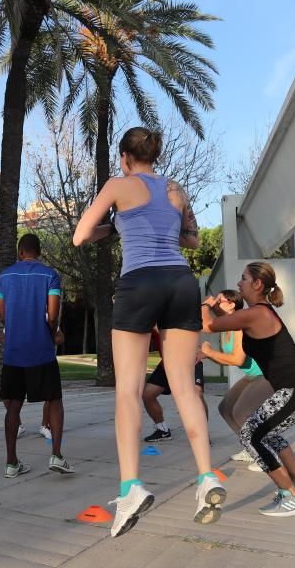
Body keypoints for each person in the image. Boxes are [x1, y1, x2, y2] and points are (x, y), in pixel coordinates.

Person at [74, 127, 223, 535]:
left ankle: (131, 487)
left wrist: (114, 225)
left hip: (140, 283)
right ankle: (207, 475)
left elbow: (80, 235)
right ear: (154, 155)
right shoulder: (176, 191)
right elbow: (191, 240)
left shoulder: (118, 185)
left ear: (124, 156)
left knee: (128, 389)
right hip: (180, 281)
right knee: (184, 386)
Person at [201, 262, 295, 518]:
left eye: (243, 278)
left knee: (251, 435)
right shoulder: (255, 314)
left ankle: (292, 497)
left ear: (257, 284)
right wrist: (216, 309)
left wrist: (204, 304)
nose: (238, 283)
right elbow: (229, 324)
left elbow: (208, 327)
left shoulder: (258, 312)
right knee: (266, 434)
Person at [0, 233, 73, 477]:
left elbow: (3, 314)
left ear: (20, 252)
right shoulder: (50, 275)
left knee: (13, 407)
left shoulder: (4, 277)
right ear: (38, 252)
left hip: (14, 353)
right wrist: (53, 333)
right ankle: (57, 455)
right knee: (55, 401)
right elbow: (52, 314)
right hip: (41, 351)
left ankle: (11, 462)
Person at [197, 290, 275, 467]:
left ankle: (265, 454)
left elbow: (238, 359)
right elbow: (229, 358)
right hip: (253, 374)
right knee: (225, 408)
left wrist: (205, 306)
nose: (215, 303)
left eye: (220, 301)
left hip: (266, 374)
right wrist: (208, 355)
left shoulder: (239, 325)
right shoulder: (227, 327)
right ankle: (251, 448)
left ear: (232, 304)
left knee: (241, 412)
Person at [143, 326, 209, 442]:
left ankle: (202, 433)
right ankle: (162, 430)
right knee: (148, 394)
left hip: (189, 360)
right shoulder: (148, 322)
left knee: (197, 392)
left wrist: (202, 348)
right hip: (167, 364)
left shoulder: (175, 315)